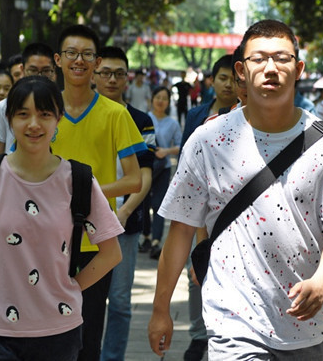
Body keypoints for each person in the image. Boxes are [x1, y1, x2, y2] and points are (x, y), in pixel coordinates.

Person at [149, 19, 323, 360]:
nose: (271, 68)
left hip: (304, 322)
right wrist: (161, 309)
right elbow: (180, 230)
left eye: (282, 58)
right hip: (233, 319)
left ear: (299, 68)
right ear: (241, 71)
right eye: (258, 59)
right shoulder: (208, 141)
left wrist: (321, 282)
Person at [0, 76, 124, 361]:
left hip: (57, 332)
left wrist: (70, 287)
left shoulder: (78, 181)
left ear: (58, 119)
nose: (34, 124)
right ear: (9, 120)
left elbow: (111, 253)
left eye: (44, 114)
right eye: (23, 114)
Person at [51, 24, 147, 361]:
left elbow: (134, 179)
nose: (79, 60)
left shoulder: (116, 114)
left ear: (96, 61)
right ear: (58, 60)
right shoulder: (43, 110)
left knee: (88, 335)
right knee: (44, 332)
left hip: (95, 242)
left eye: (87, 54)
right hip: (44, 238)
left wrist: (85, 191)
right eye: (72, 53)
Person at [174, 53, 238, 361]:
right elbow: (188, 170)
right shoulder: (198, 116)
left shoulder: (249, 117)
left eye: (233, 78)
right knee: (196, 273)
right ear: (212, 81)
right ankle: (199, 336)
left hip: (234, 215)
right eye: (222, 78)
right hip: (197, 210)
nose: (228, 84)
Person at [94, 46, 156, 361]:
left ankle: (112, 357)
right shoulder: (78, 113)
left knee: (119, 301)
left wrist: (125, 210)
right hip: (81, 223)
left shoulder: (141, 120)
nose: (112, 79)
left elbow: (145, 174)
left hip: (124, 223)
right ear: (93, 73)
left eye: (119, 73)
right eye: (106, 72)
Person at [0, 43, 55, 157]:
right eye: (33, 70)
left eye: (46, 71)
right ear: (22, 70)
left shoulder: (61, 106)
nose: (39, 76)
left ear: (54, 70)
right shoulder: (4, 106)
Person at [146, 87, 182, 260]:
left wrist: (166, 151)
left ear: (169, 102)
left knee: (159, 204)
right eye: (157, 97)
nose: (160, 101)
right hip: (144, 168)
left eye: (164, 98)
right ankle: (145, 235)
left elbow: (181, 146)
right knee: (144, 202)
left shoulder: (172, 123)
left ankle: (155, 241)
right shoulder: (145, 118)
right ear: (152, 99)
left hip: (163, 168)